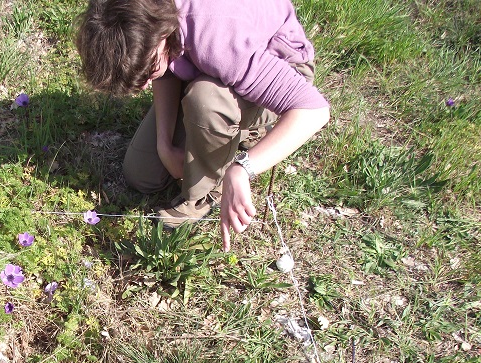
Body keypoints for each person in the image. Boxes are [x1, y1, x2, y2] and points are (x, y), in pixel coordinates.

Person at [76, 0, 330, 250]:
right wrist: (164, 145)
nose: (143, 86)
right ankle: (221, 125)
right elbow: (167, 70)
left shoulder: (222, 38)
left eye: (146, 73)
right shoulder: (151, 15)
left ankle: (203, 193)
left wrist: (242, 169)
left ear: (161, 35)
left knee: (205, 100)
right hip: (205, 66)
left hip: (277, 72)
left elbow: (313, 111)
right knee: (142, 174)